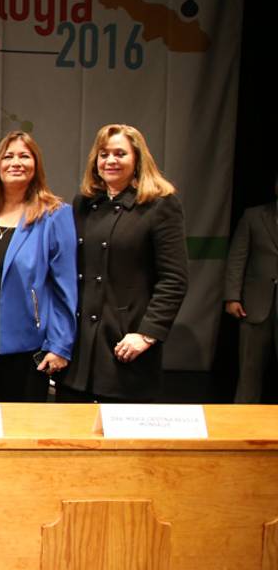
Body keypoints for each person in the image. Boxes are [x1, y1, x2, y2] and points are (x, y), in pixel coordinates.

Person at [57, 125, 188, 402]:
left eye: (120, 154)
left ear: (138, 160)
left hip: (126, 343)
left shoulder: (160, 206)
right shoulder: (83, 204)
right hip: (78, 348)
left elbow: (174, 280)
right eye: (104, 154)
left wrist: (147, 334)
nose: (111, 161)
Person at [0, 131, 78, 402]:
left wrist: (60, 345)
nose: (16, 162)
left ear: (36, 165)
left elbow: (65, 286)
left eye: (24, 156)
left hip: (25, 345)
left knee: (19, 428)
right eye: (8, 156)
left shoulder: (55, 213)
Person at [223, 179, 278, 403]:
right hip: (256, 304)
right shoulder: (254, 216)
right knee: (249, 370)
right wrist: (232, 296)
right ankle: (242, 421)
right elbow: (237, 257)